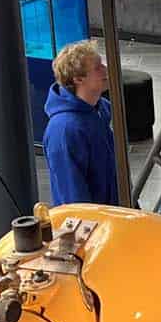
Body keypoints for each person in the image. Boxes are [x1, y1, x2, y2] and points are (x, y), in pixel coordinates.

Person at [43, 41, 119, 207]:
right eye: (97, 68)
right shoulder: (63, 131)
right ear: (78, 79)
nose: (105, 70)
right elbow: (73, 197)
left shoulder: (101, 109)